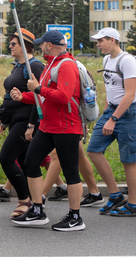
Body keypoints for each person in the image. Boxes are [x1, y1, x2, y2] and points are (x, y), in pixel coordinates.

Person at [10, 30, 85, 231]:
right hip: (48, 125)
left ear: (50, 45)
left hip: (66, 127)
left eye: (42, 44)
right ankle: (37, 210)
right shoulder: (51, 64)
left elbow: (63, 97)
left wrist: (37, 89)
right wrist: (23, 97)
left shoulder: (67, 65)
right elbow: (42, 97)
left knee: (70, 171)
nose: (40, 46)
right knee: (31, 162)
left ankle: (75, 216)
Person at [86, 28, 136, 217]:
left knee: (129, 160)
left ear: (112, 40)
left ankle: (133, 205)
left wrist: (113, 119)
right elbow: (110, 87)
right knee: (94, 150)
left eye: (101, 41)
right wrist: (106, 110)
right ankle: (115, 195)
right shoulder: (106, 59)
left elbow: (129, 94)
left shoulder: (127, 61)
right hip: (112, 110)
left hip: (129, 113)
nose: (98, 45)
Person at [0, 29, 44, 218]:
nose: (10, 46)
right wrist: (2, 117)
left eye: (13, 43)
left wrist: (32, 125)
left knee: (6, 157)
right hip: (13, 120)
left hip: (25, 121)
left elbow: (39, 98)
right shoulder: (18, 65)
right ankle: (34, 199)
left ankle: (24, 200)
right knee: (24, 162)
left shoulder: (34, 67)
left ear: (25, 46)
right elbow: (11, 94)